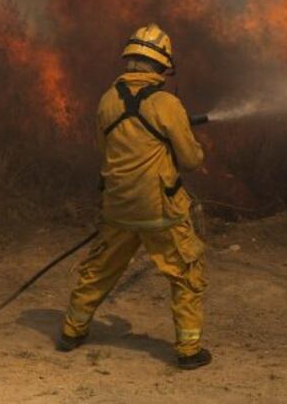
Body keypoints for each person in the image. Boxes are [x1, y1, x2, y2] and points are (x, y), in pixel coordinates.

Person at [58, 23, 211, 370]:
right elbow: (190, 159)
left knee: (99, 269)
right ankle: (188, 351)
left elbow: (106, 147)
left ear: (130, 60)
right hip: (160, 209)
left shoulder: (107, 100)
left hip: (118, 205)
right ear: (161, 66)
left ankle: (72, 330)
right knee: (186, 273)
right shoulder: (168, 104)